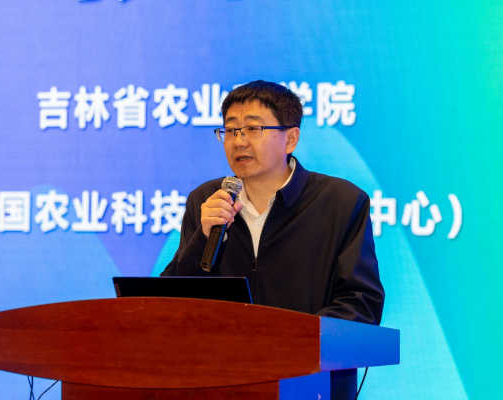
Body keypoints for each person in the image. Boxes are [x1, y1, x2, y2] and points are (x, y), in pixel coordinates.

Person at [161, 80, 384, 398]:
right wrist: (202, 238)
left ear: (290, 139)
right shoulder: (206, 200)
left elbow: (361, 302)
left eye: (253, 129)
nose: (239, 142)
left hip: (310, 384)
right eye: (230, 130)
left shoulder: (341, 202)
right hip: (221, 383)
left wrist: (286, 342)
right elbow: (171, 300)